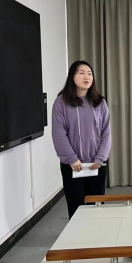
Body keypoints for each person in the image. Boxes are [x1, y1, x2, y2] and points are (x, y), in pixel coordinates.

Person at [52, 61, 112, 220]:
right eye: (81, 73)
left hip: (96, 164)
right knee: (76, 206)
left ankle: (96, 234)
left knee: (97, 205)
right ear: (72, 76)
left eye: (90, 73)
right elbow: (58, 133)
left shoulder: (100, 102)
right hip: (73, 165)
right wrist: (71, 158)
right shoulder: (61, 102)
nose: (87, 77)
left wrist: (101, 157)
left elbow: (106, 132)